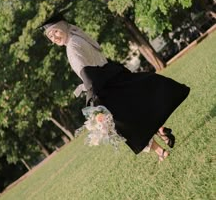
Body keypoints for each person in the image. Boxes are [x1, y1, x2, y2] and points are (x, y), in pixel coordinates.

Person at [41, 19, 190, 162]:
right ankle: (161, 131)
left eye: (55, 32)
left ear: (62, 27)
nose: (54, 38)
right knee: (136, 110)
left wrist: (93, 104)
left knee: (127, 127)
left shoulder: (72, 47)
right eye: (50, 36)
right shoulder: (78, 36)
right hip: (113, 77)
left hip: (104, 89)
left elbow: (87, 74)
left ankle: (161, 152)